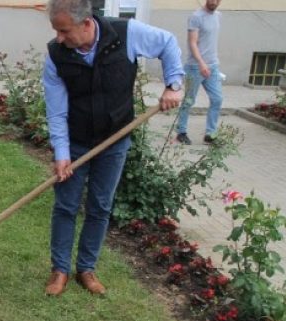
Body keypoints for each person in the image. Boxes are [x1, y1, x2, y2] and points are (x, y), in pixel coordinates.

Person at [43, 0, 183, 297]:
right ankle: (59, 270)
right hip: (76, 141)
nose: (59, 38)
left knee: (100, 207)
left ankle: (86, 269)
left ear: (86, 23)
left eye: (64, 30)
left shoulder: (125, 34)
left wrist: (173, 83)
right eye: (56, 30)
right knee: (66, 206)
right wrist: (62, 153)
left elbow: (168, 43)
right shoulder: (57, 55)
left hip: (115, 140)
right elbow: (56, 112)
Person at [176, 0, 223, 145]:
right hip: (195, 67)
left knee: (217, 99)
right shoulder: (196, 17)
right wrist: (201, 63)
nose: (214, 2)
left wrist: (210, 63)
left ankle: (210, 134)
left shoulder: (218, 15)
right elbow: (192, 42)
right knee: (189, 101)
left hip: (213, 66)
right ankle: (181, 132)